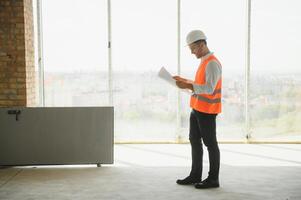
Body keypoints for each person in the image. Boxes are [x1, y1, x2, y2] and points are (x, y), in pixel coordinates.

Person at [174, 30, 222, 189]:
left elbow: (209, 88)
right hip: (196, 108)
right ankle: (195, 175)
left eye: (193, 48)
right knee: (194, 141)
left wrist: (188, 85)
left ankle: (213, 179)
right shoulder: (204, 61)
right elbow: (199, 84)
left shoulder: (213, 63)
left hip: (207, 111)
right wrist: (184, 81)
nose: (191, 51)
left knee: (210, 144)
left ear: (201, 44)